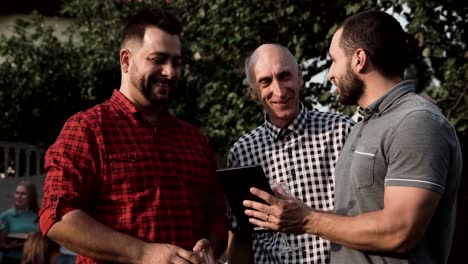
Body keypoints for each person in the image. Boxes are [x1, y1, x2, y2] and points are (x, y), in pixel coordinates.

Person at [242, 10, 463, 264]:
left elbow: (400, 231)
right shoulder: (363, 126)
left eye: (334, 60)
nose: (330, 74)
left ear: (358, 59)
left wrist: (306, 219)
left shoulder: (416, 122)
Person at [39, 8, 228, 264]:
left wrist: (209, 245)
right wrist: (143, 253)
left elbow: (216, 216)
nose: (170, 72)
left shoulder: (194, 140)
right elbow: (57, 216)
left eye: (177, 62)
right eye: (158, 59)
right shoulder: (88, 129)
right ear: (126, 60)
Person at [227, 43, 354, 263]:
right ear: (253, 92)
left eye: (284, 76)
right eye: (265, 81)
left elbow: (367, 216)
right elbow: (241, 236)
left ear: (300, 77)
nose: (278, 90)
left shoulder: (342, 132)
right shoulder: (242, 153)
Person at [0, 181, 40, 264]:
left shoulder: (39, 215)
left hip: (35, 260)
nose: (19, 196)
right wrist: (9, 247)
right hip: (12, 260)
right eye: (17, 193)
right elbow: (1, 244)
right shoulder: (6, 216)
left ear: (31, 197)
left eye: (23, 194)